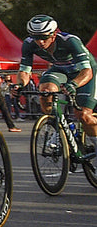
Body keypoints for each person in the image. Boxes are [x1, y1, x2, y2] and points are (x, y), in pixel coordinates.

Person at [18, 14, 95, 148]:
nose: (40, 42)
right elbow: (24, 71)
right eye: (36, 37)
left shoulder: (70, 41)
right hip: (60, 70)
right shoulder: (29, 44)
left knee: (83, 115)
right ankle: (60, 127)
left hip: (85, 72)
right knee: (45, 92)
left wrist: (74, 84)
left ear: (54, 34)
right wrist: (18, 85)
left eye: (44, 37)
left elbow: (87, 72)